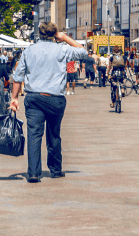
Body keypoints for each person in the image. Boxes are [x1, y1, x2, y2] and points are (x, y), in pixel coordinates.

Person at [7, 22, 95, 183]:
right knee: (54, 134)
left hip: (34, 98)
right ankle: (55, 170)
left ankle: (33, 172)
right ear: (54, 34)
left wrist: (14, 98)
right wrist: (65, 37)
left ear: (39, 34)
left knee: (34, 134)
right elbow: (83, 52)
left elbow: (18, 77)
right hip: (55, 99)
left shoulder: (29, 51)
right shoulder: (62, 49)